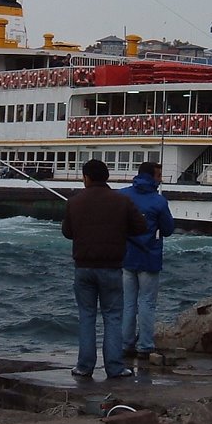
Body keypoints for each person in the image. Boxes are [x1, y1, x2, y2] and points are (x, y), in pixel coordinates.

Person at [61, 159, 146, 379]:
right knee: (113, 317)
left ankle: (84, 366)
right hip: (111, 267)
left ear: (86, 177)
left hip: (84, 267)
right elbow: (141, 227)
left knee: (87, 316)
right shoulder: (122, 201)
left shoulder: (74, 202)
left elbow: (68, 232)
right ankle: (115, 368)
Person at [120, 161, 175, 360]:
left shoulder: (123, 195)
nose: (160, 179)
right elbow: (168, 229)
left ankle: (125, 344)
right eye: (159, 175)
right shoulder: (158, 201)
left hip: (127, 256)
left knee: (128, 303)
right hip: (149, 256)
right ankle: (145, 345)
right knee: (147, 303)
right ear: (152, 177)